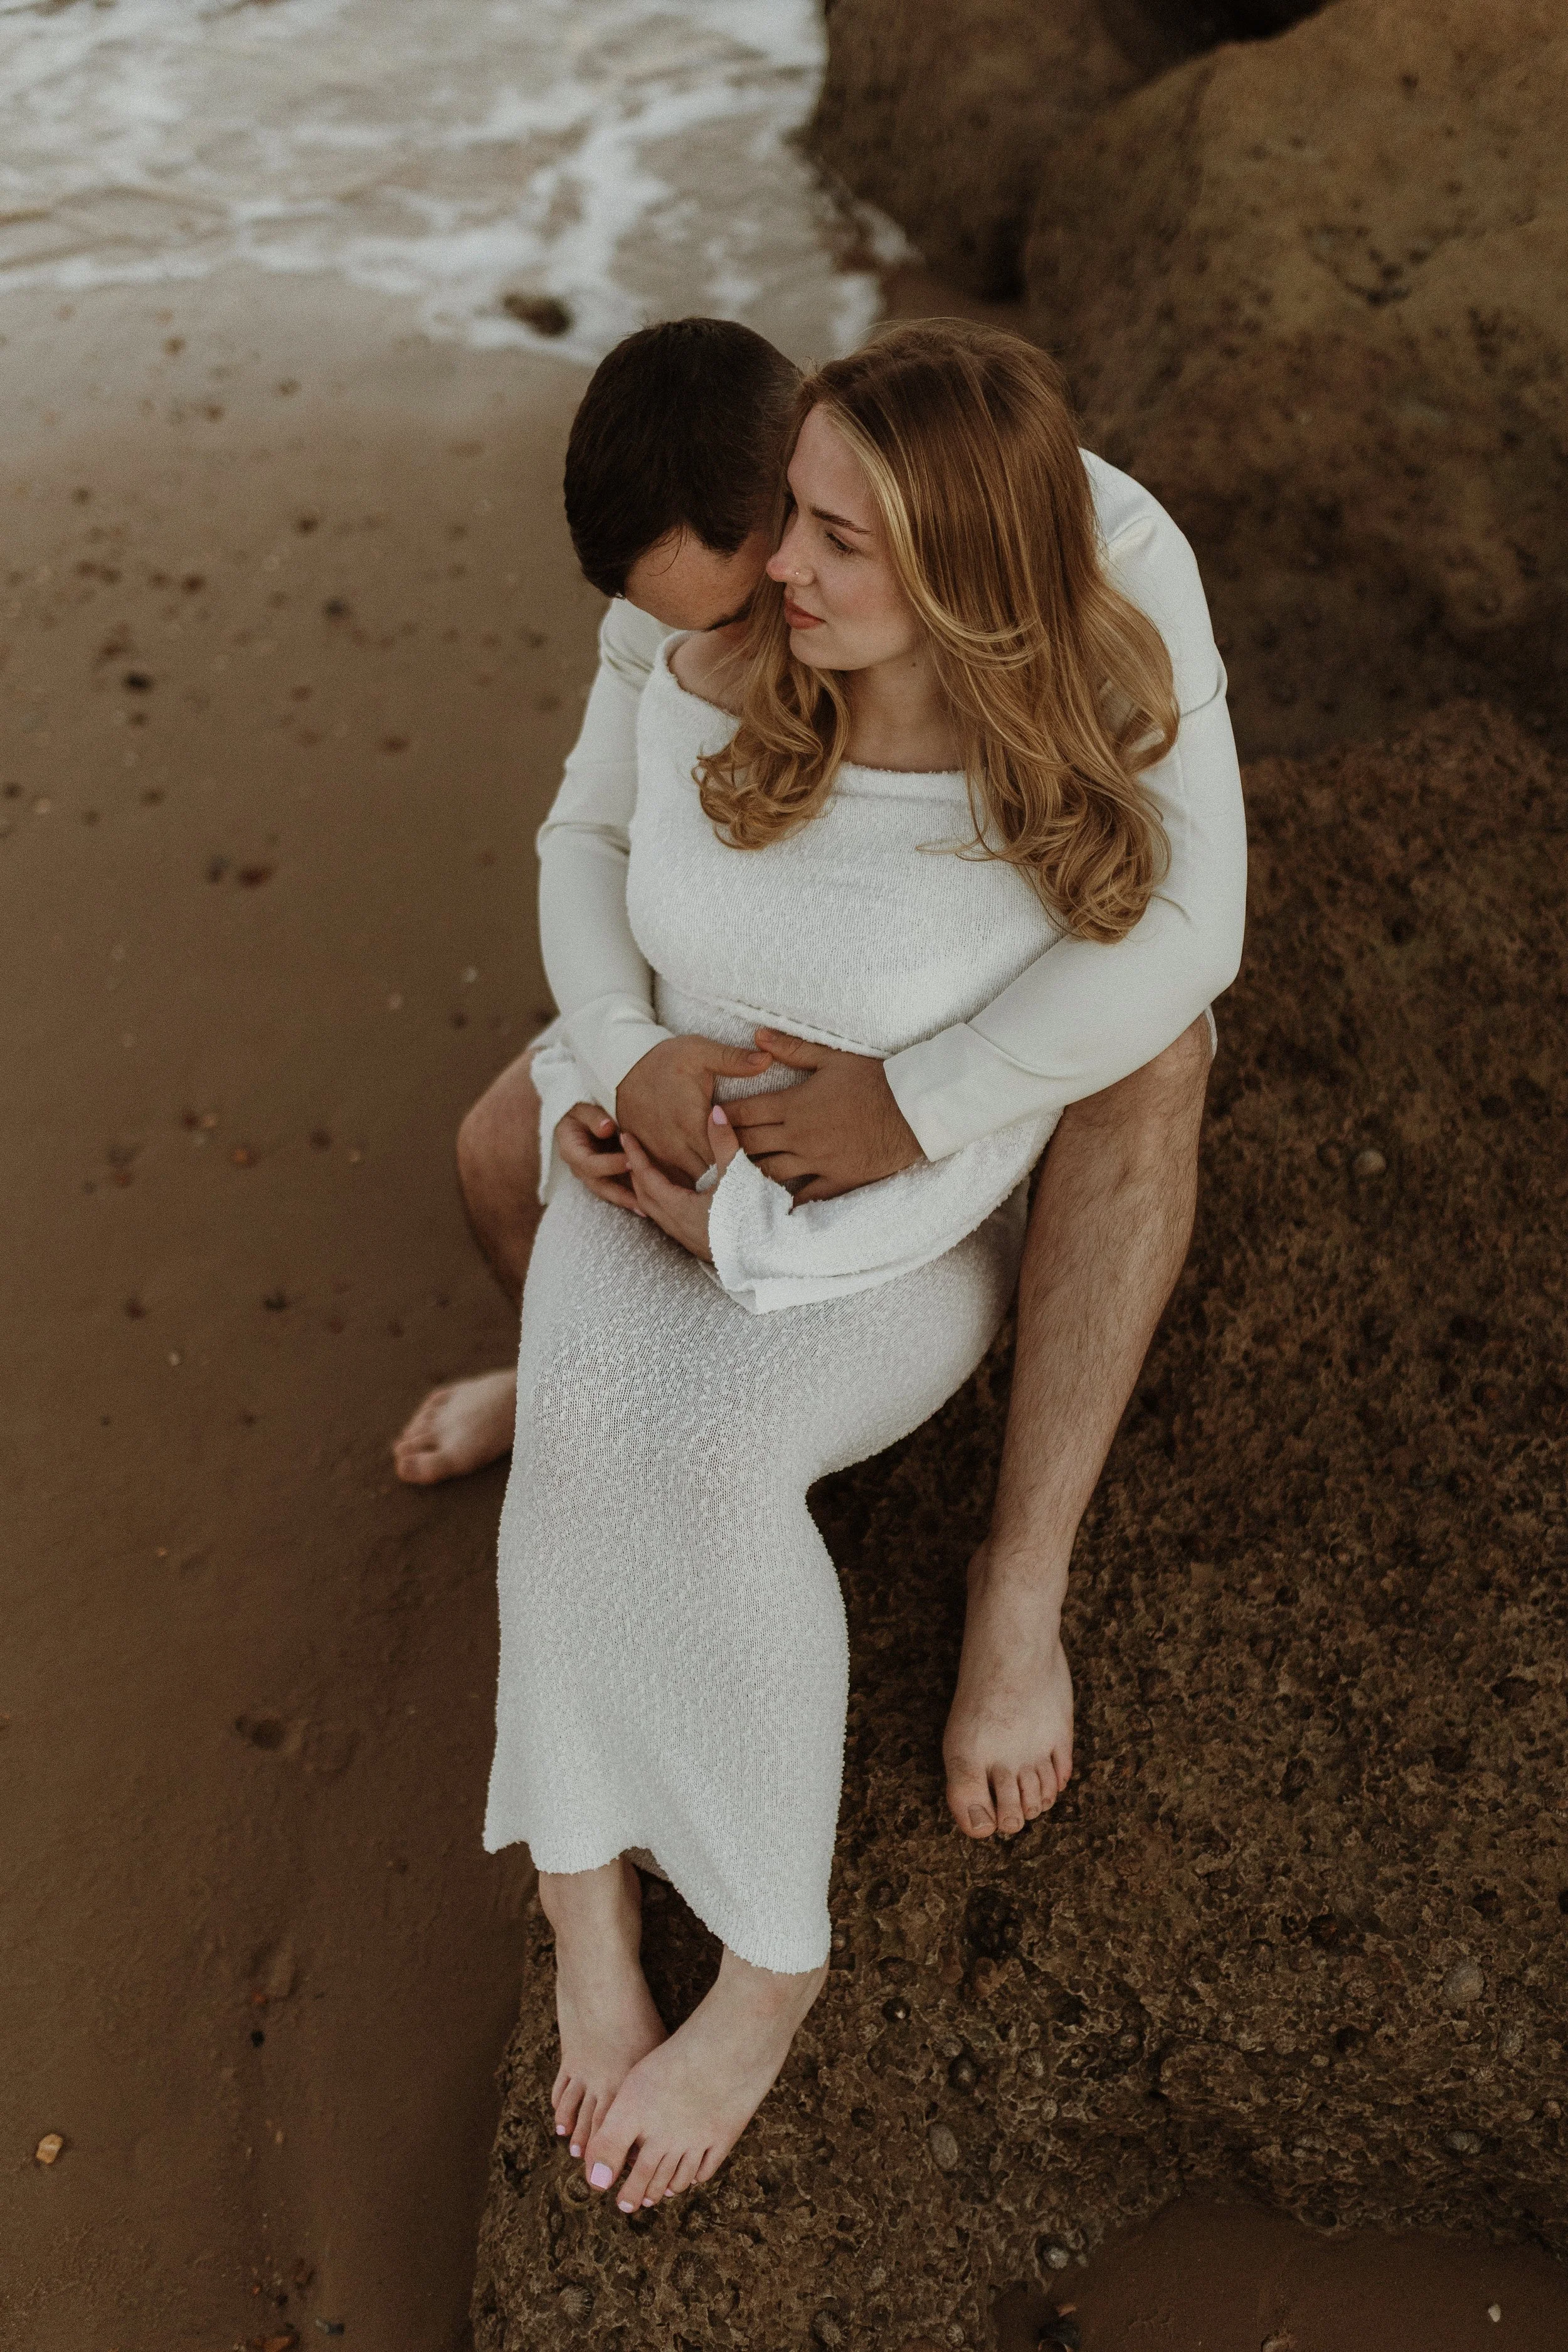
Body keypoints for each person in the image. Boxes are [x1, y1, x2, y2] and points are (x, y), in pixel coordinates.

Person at [458, 320, 1246, 2213]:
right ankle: (573, 1396)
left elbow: (1197, 916)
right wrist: (608, 1050)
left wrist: (923, 1097)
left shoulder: (1104, 567)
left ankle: (1015, 1579)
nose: (752, 625)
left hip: (942, 1076)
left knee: (1156, 1053)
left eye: (798, 566)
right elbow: (591, 820)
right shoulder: (698, 588)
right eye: (744, 580)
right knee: (499, 1155)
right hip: (726, 1049)